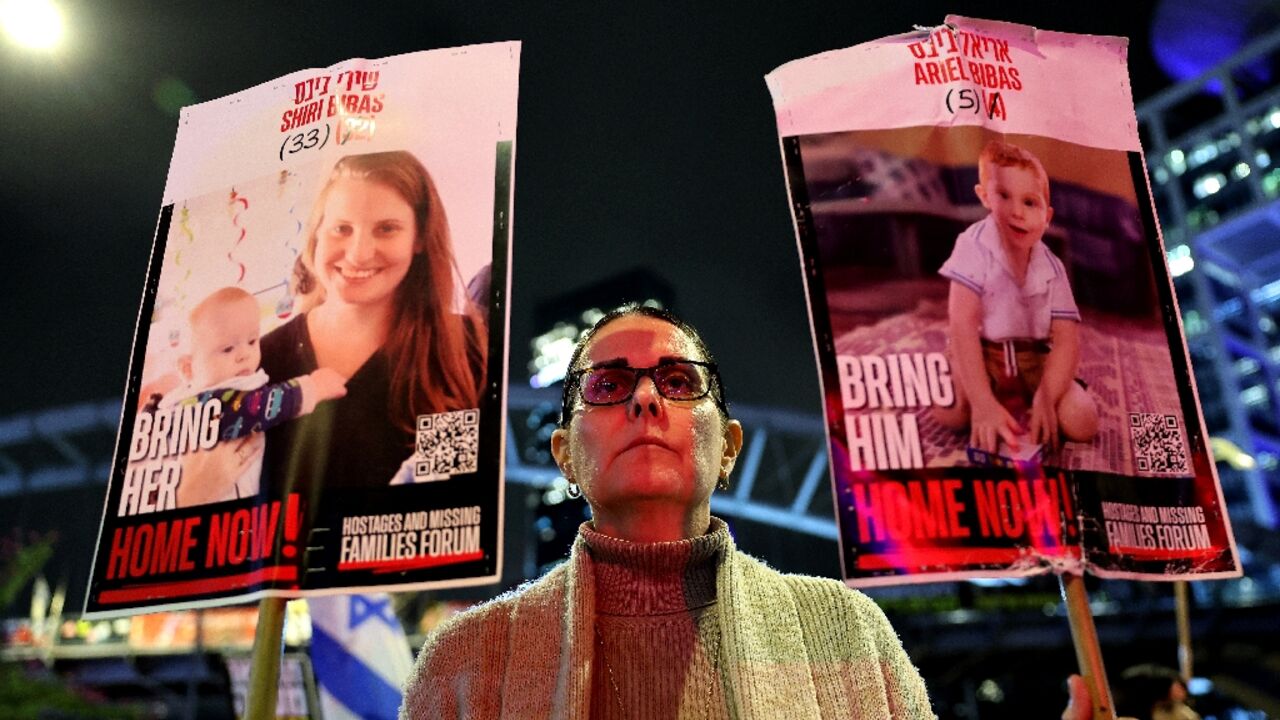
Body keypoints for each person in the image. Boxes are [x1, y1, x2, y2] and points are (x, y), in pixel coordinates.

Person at [401, 304, 935, 719]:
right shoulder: (465, 661)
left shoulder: (847, 631)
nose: (646, 400)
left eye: (678, 381)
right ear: (565, 456)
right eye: (607, 386)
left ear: (728, 446)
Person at [182, 151, 486, 498]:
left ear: (418, 238)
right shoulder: (253, 365)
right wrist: (192, 494)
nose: (358, 253)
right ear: (317, 233)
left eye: (386, 229)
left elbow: (453, 498)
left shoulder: (463, 350)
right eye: (342, 228)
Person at [933, 140, 1099, 457]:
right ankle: (968, 383)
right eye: (1004, 196)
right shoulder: (973, 245)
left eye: (1029, 202)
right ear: (984, 196)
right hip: (983, 353)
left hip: (1033, 358)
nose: (1016, 212)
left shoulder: (1051, 266)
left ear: (1046, 216)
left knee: (1083, 422)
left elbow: (1066, 341)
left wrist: (1047, 398)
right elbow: (963, 324)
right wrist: (982, 403)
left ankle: (1033, 399)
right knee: (950, 411)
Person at [157, 286, 346, 507]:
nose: (244, 355)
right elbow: (249, 409)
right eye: (227, 349)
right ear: (189, 368)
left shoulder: (242, 377)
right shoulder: (199, 401)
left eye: (252, 341)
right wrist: (310, 388)